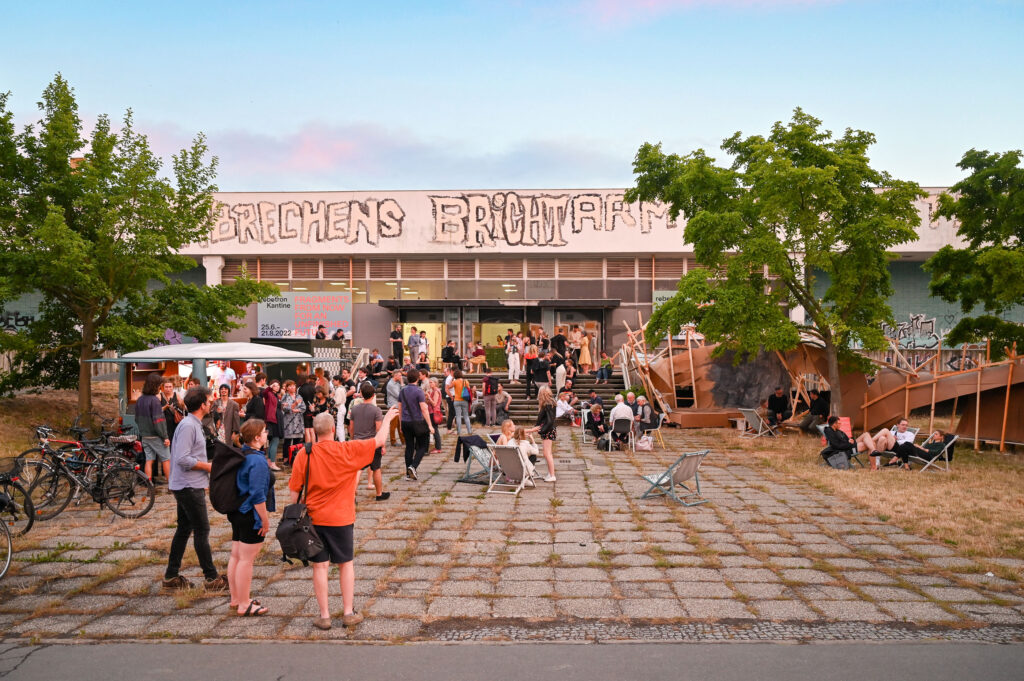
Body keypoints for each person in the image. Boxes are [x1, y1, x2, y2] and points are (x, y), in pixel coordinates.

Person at [289, 407, 400, 630]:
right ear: (333, 429)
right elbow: (379, 440)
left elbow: (294, 491)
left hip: (313, 520)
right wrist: (388, 417)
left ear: (316, 432)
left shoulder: (305, 454)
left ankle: (324, 616)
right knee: (345, 564)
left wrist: (292, 518)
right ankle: (348, 612)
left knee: (319, 567)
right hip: (341, 517)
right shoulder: (347, 450)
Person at [162, 386, 228, 592]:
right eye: (209, 401)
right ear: (202, 405)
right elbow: (182, 458)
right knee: (202, 529)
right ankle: (211, 578)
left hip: (188, 484)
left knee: (184, 529)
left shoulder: (192, 424)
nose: (211, 404)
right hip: (188, 485)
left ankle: (171, 576)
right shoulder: (189, 426)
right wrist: (208, 467)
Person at [227, 418, 275, 617]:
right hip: (251, 515)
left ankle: (236, 598)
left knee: (236, 556)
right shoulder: (257, 460)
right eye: (264, 431)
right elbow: (257, 495)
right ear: (257, 437)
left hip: (238, 511)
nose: (266, 434)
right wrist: (264, 520)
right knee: (246, 560)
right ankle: (244, 604)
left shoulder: (243, 453)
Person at [348, 383, 390, 501]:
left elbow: (351, 428)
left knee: (358, 469)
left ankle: (352, 494)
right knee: (376, 468)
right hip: (372, 442)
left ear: (361, 394)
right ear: (373, 395)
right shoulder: (376, 410)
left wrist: (352, 439)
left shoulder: (354, 409)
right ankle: (379, 494)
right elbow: (379, 429)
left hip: (357, 441)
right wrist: (382, 444)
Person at [398, 368, 433, 481]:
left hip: (405, 422)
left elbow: (400, 408)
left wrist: (400, 423)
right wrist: (430, 424)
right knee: (423, 446)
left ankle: (408, 473)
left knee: (409, 447)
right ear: (418, 379)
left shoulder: (402, 391)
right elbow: (424, 408)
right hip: (417, 422)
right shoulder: (419, 391)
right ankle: (413, 466)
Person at [137, 373, 171, 484]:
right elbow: (159, 421)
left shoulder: (140, 400)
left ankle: (149, 485)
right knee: (166, 459)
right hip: (156, 436)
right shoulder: (155, 400)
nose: (160, 388)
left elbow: (136, 419)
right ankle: (171, 486)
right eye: (159, 385)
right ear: (155, 386)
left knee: (149, 460)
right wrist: (165, 437)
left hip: (145, 436)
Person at [527, 386, 557, 482]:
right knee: (547, 453)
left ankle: (552, 475)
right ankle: (550, 473)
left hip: (548, 430)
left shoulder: (548, 404)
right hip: (547, 429)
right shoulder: (549, 403)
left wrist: (540, 430)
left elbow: (549, 421)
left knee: (547, 453)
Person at [279, 380, 306, 463]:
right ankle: (286, 459)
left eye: (294, 385)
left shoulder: (299, 396)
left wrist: (297, 410)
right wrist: (294, 405)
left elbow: (304, 407)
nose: (292, 387)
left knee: (297, 441)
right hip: (289, 422)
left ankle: (295, 458)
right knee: (287, 441)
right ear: (287, 388)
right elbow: (284, 408)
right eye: (290, 386)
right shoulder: (285, 397)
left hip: (298, 422)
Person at [262, 379, 283, 471]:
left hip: (276, 419)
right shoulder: (269, 394)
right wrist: (270, 387)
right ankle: (273, 463)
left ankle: (270, 462)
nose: (277, 387)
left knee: (273, 442)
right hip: (272, 420)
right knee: (275, 440)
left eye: (278, 385)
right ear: (271, 386)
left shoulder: (275, 395)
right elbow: (264, 393)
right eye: (275, 385)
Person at [160, 378, 186, 444]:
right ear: (163, 387)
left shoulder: (176, 395)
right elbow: (156, 411)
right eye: (166, 387)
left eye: (170, 387)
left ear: (173, 387)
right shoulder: (159, 396)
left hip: (175, 422)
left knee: (176, 443)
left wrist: (182, 404)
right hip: (164, 424)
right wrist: (166, 407)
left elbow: (183, 408)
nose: (168, 389)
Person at [450, 369, 473, 435]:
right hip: (464, 400)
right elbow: (469, 389)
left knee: (458, 416)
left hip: (457, 400)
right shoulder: (466, 381)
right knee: (466, 416)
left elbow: (449, 387)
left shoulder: (455, 382)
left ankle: (459, 432)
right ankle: (469, 431)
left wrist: (452, 380)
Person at [385, 370, 405, 446]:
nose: (401, 377)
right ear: (395, 375)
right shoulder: (391, 384)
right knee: (393, 425)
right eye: (400, 375)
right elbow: (399, 395)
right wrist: (402, 384)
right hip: (393, 406)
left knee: (400, 424)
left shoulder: (397, 383)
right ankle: (393, 441)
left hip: (398, 406)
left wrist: (402, 384)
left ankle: (403, 440)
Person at [425, 378, 444, 453]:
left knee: (435, 429)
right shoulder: (433, 391)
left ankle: (438, 448)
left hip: (434, 412)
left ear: (435, 383)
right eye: (429, 382)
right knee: (433, 429)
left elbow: (434, 403)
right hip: (431, 411)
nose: (430, 384)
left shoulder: (436, 391)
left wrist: (429, 397)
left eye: (431, 382)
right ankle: (437, 447)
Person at [331, 375, 348, 442]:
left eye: (334, 380)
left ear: (338, 381)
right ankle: (341, 440)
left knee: (339, 426)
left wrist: (332, 397)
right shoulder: (342, 388)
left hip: (339, 408)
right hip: (342, 407)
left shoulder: (339, 389)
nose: (333, 382)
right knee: (340, 425)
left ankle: (341, 441)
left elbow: (337, 401)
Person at [442, 366, 456, 430]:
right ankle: (449, 427)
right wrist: (451, 397)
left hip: (452, 396)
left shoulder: (452, 378)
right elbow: (446, 389)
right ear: (452, 371)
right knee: (451, 412)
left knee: (452, 412)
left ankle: (449, 426)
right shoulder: (449, 378)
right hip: (450, 396)